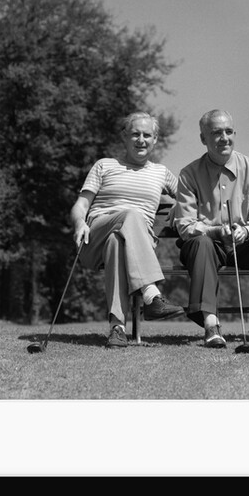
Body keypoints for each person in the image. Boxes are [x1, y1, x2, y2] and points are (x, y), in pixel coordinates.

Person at [171, 109, 249, 348]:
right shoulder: (189, 174)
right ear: (203, 139)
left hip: (245, 244)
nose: (224, 138)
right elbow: (185, 226)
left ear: (235, 134)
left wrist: (246, 231)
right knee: (200, 243)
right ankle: (211, 326)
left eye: (228, 131)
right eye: (216, 133)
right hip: (208, 246)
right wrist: (215, 231)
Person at [70, 111, 186, 348]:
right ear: (124, 137)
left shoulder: (161, 173)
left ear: (155, 140)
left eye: (146, 135)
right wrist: (80, 222)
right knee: (129, 217)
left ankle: (117, 328)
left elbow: (190, 197)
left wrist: (180, 207)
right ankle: (151, 294)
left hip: (133, 244)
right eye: (135, 134)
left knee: (117, 241)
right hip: (96, 236)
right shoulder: (104, 166)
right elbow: (81, 205)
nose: (140, 140)